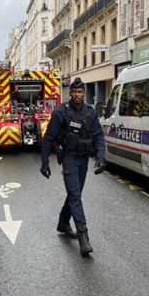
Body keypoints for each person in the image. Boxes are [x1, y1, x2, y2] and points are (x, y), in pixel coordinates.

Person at [40, 77, 106, 257]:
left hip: (83, 159)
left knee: (74, 194)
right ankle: (84, 237)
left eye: (80, 92)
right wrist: (45, 161)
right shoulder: (62, 112)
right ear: (70, 93)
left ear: (84, 93)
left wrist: (100, 156)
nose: (77, 95)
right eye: (75, 92)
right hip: (68, 158)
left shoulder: (90, 113)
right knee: (76, 195)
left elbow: (98, 135)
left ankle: (63, 222)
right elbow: (49, 138)